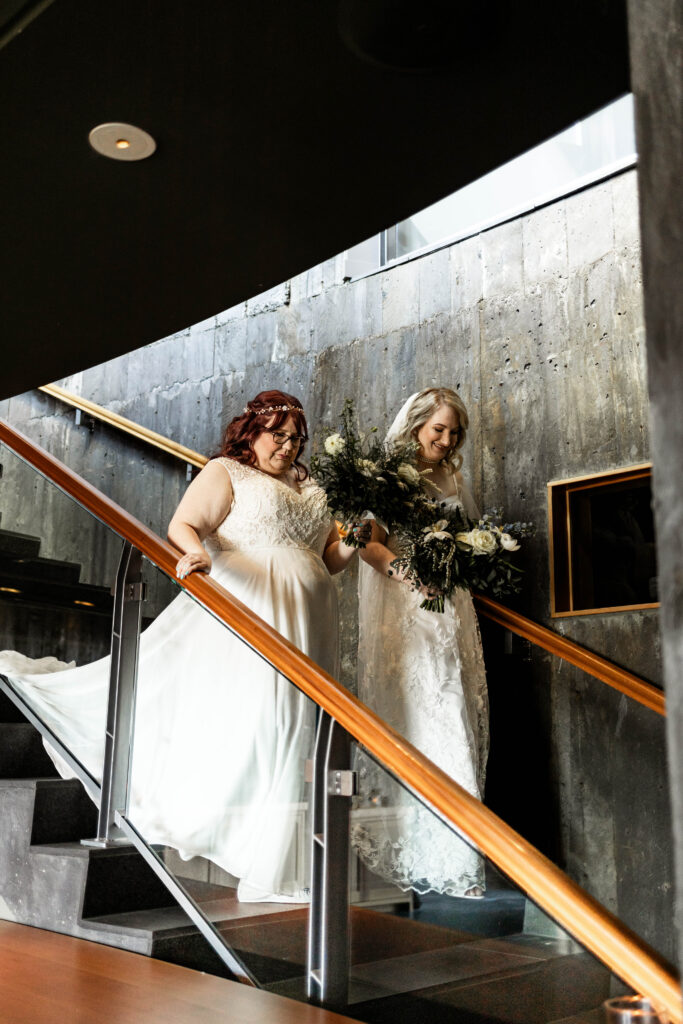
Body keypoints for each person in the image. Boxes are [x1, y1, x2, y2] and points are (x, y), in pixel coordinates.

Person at [0, 390, 364, 902]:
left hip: (310, 618)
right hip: (253, 608)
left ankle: (277, 862)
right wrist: (196, 556)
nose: (288, 446)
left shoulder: (310, 484)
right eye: (277, 435)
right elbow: (183, 525)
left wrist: (358, 537)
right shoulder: (226, 471)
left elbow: (327, 559)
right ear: (251, 432)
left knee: (298, 728)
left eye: (296, 438)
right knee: (264, 722)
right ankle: (263, 869)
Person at [352, 387, 489, 899]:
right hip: (407, 605)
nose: (447, 439)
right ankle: (424, 846)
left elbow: (466, 534)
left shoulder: (454, 476)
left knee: (452, 706)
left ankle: (458, 850)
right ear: (416, 426)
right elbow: (365, 541)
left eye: (454, 432)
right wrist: (409, 575)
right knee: (421, 711)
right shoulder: (388, 476)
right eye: (439, 430)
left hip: (450, 604)